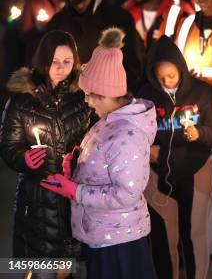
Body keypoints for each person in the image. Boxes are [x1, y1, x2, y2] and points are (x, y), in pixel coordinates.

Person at [40, 28, 157, 279]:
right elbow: (103, 163)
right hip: (101, 232)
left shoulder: (128, 135)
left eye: (90, 96)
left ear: (105, 94)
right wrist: (77, 166)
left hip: (118, 241)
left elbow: (126, 193)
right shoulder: (108, 120)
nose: (88, 102)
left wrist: (75, 191)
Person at [0, 30, 90, 278]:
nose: (61, 68)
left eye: (67, 62)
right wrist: (23, 158)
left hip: (75, 198)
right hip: (37, 202)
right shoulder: (22, 101)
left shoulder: (84, 98)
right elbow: (8, 145)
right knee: (41, 268)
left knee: (74, 267)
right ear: (43, 60)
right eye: (54, 61)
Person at [138, 35, 212, 279]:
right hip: (158, 174)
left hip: (195, 170)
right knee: (164, 237)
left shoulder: (201, 92)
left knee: (193, 234)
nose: (167, 82)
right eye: (161, 77)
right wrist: (149, 151)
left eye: (172, 76)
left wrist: (201, 133)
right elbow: (134, 135)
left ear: (181, 69)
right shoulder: (145, 97)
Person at [45, 0, 144, 92]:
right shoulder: (58, 22)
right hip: (66, 102)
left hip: (106, 102)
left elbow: (133, 67)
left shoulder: (118, 20)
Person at [20, 0, 65, 64]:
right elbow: (24, 31)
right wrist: (37, 28)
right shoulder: (33, 0)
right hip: (38, 52)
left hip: (60, 51)